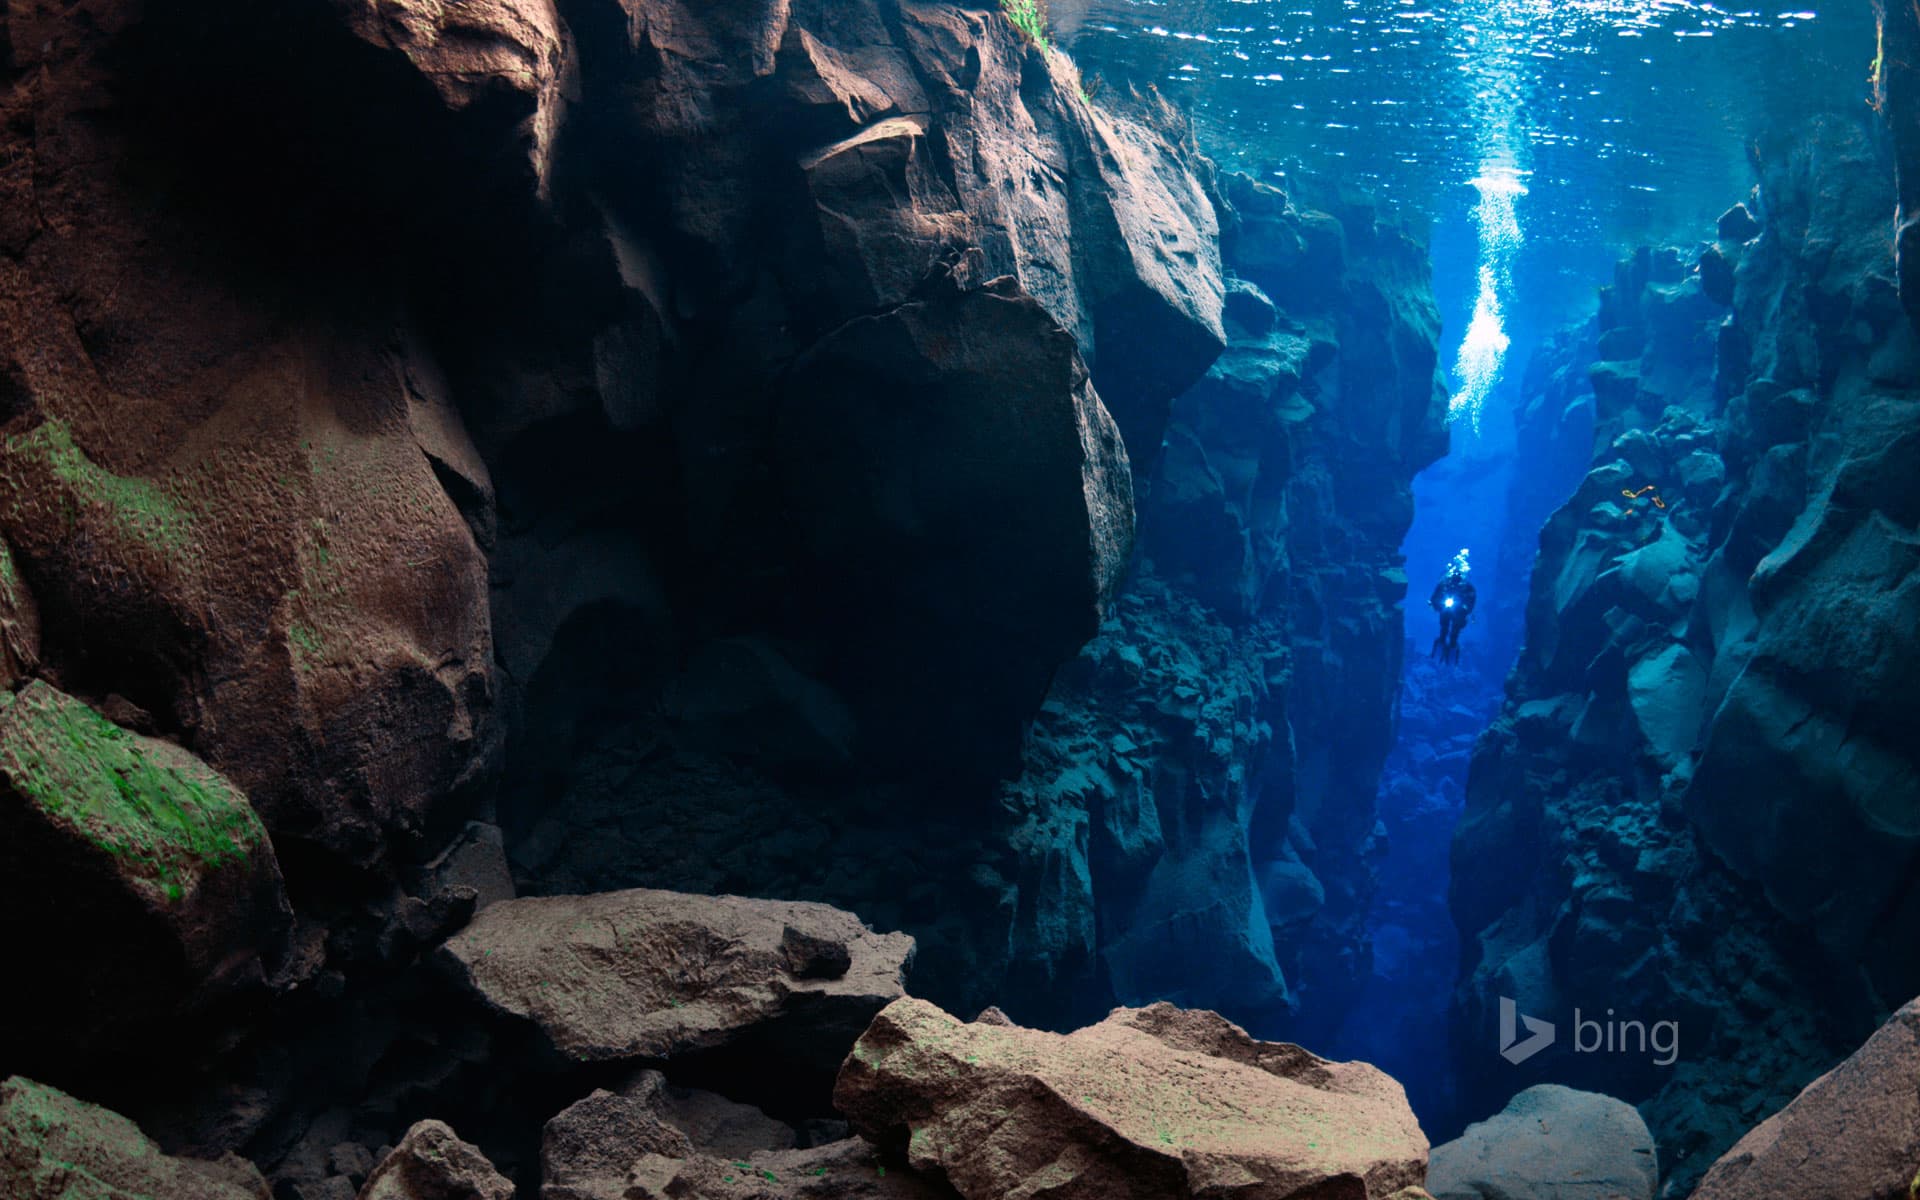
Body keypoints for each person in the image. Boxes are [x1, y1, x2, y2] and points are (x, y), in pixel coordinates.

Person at [1430, 551, 1477, 664]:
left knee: (1454, 634)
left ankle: (1450, 652)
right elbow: (1434, 597)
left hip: (1459, 612)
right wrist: (1437, 605)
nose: (1456, 579)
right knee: (1444, 630)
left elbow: (1472, 601)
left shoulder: (1467, 587)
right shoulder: (1444, 584)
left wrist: (1465, 609)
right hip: (1446, 610)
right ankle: (1443, 650)